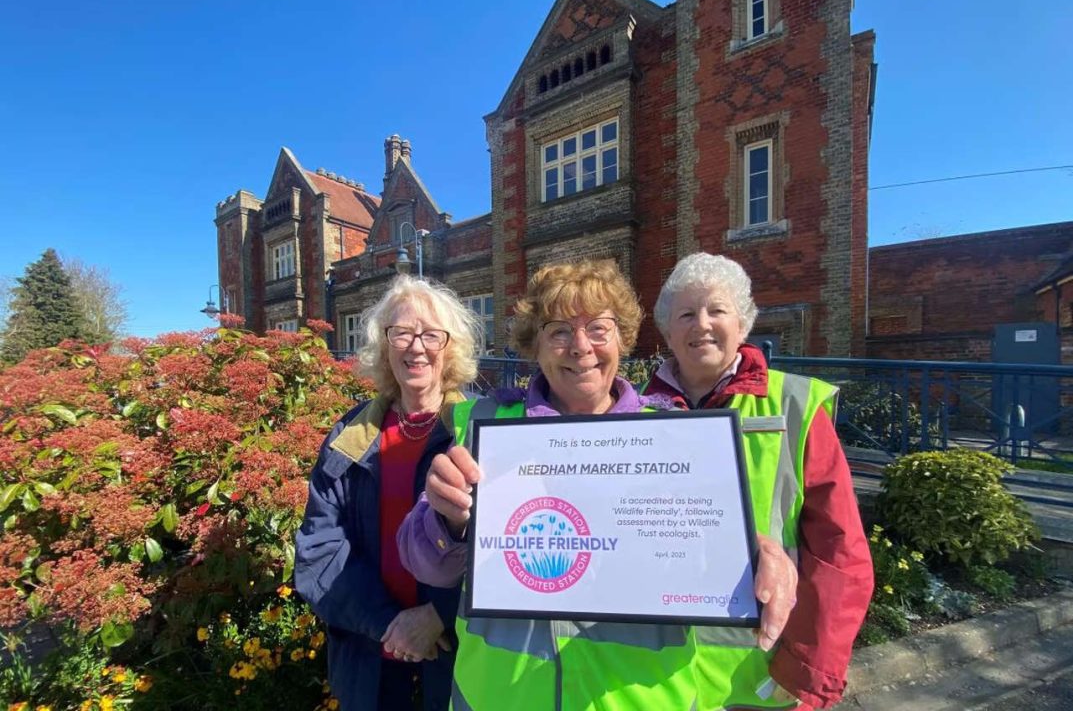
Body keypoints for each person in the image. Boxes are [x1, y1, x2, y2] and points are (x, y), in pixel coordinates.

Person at [397, 259, 798, 710]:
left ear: (623, 339)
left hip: (638, 699)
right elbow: (425, 564)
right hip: (502, 697)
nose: (580, 347)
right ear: (536, 346)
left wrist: (754, 549)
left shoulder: (674, 433)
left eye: (599, 329)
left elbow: (711, 544)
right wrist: (445, 520)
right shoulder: (487, 425)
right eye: (559, 331)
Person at [643, 252, 874, 710]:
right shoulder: (636, 413)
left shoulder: (794, 405)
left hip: (760, 676)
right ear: (668, 331)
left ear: (744, 324)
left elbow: (840, 551)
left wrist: (808, 671)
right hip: (654, 682)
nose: (701, 324)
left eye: (717, 310)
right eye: (686, 314)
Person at [294, 274, 481, 711]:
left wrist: (437, 615)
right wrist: (390, 624)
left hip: (454, 657)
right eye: (401, 333)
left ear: (449, 347)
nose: (416, 347)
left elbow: (506, 549)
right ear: (384, 345)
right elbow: (318, 550)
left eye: (431, 335)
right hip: (370, 656)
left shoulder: (476, 430)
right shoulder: (350, 433)